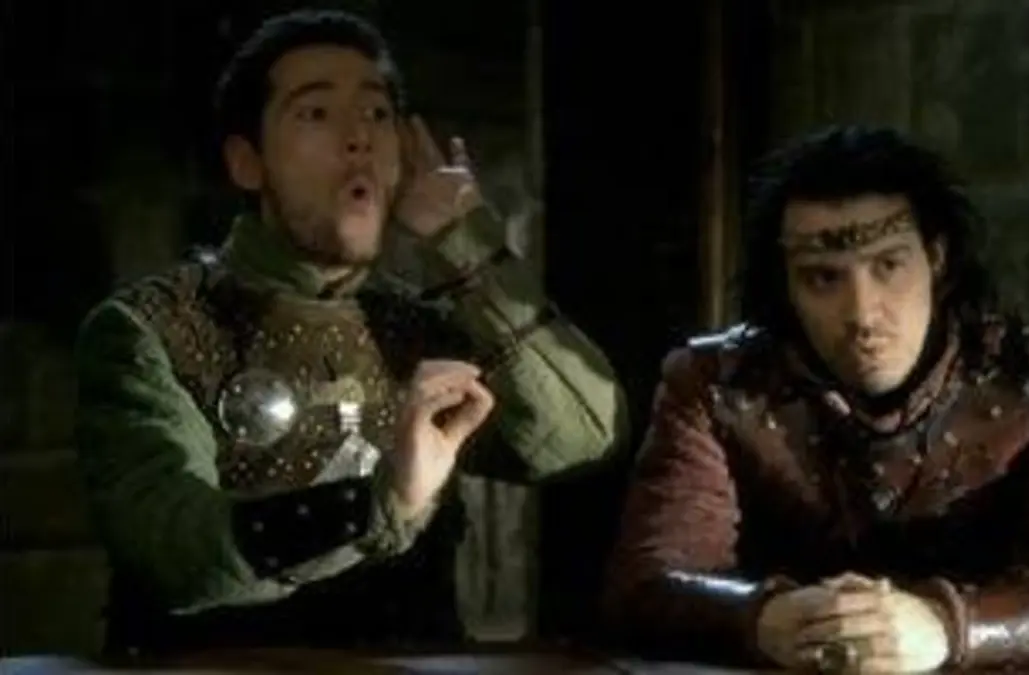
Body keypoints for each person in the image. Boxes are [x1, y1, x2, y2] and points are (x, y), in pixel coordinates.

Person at [73, 9, 626, 655]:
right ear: (247, 161)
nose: (359, 138)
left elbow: (585, 437)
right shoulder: (151, 328)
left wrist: (469, 246)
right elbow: (175, 549)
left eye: (377, 114)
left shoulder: (421, 327)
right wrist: (382, 503)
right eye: (316, 113)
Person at [603, 126, 1029, 672]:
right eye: (823, 278)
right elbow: (647, 582)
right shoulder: (717, 384)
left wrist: (948, 627)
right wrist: (764, 617)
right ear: (787, 285)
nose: (863, 314)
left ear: (935, 258)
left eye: (888, 266)